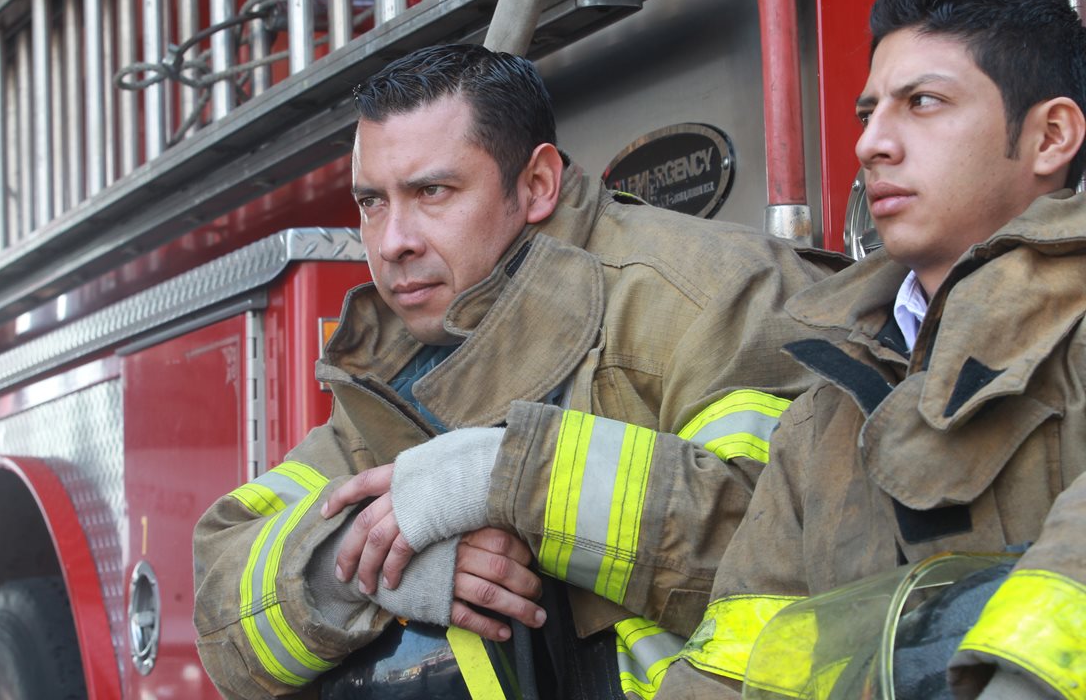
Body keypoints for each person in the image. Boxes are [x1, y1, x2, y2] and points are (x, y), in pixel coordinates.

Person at [192, 43, 836, 699]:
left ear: (536, 185)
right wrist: (361, 566)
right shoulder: (402, 361)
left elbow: (793, 553)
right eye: (372, 202)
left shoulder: (713, 294)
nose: (392, 242)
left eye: (431, 191)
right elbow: (223, 610)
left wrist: (500, 474)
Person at [632, 0, 1086, 698]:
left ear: (1051, 136)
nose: (872, 143)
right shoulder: (826, 406)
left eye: (924, 103)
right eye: (867, 114)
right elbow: (740, 659)